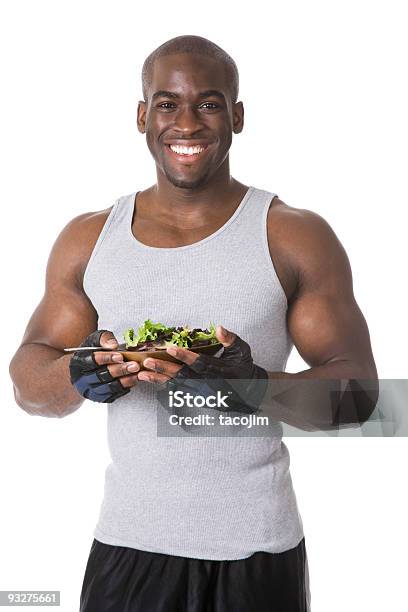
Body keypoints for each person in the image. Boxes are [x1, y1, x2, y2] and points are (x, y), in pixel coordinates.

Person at [9, 34, 378, 612]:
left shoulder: (293, 234)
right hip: (128, 545)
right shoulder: (88, 239)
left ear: (235, 116)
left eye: (208, 104)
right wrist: (81, 371)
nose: (188, 123)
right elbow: (31, 388)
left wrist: (249, 387)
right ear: (141, 116)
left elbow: (360, 397)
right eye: (167, 103)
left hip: (257, 550)